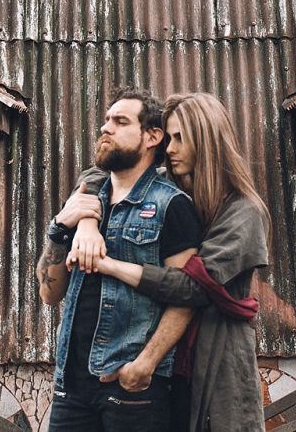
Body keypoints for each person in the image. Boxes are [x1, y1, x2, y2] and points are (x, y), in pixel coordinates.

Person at [69, 92, 270, 432]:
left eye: (179, 138)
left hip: (216, 354)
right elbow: (98, 174)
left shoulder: (244, 213)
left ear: (206, 142)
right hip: (169, 360)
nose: (170, 149)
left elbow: (192, 287)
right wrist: (87, 225)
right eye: (168, 138)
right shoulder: (173, 190)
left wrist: (108, 265)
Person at [36, 88, 203, 432]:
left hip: (133, 388)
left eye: (120, 121)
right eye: (106, 120)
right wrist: (58, 229)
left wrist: (146, 364)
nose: (105, 127)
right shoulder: (85, 202)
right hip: (71, 385)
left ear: (152, 136)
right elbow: (49, 294)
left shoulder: (172, 205)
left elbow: (185, 297)